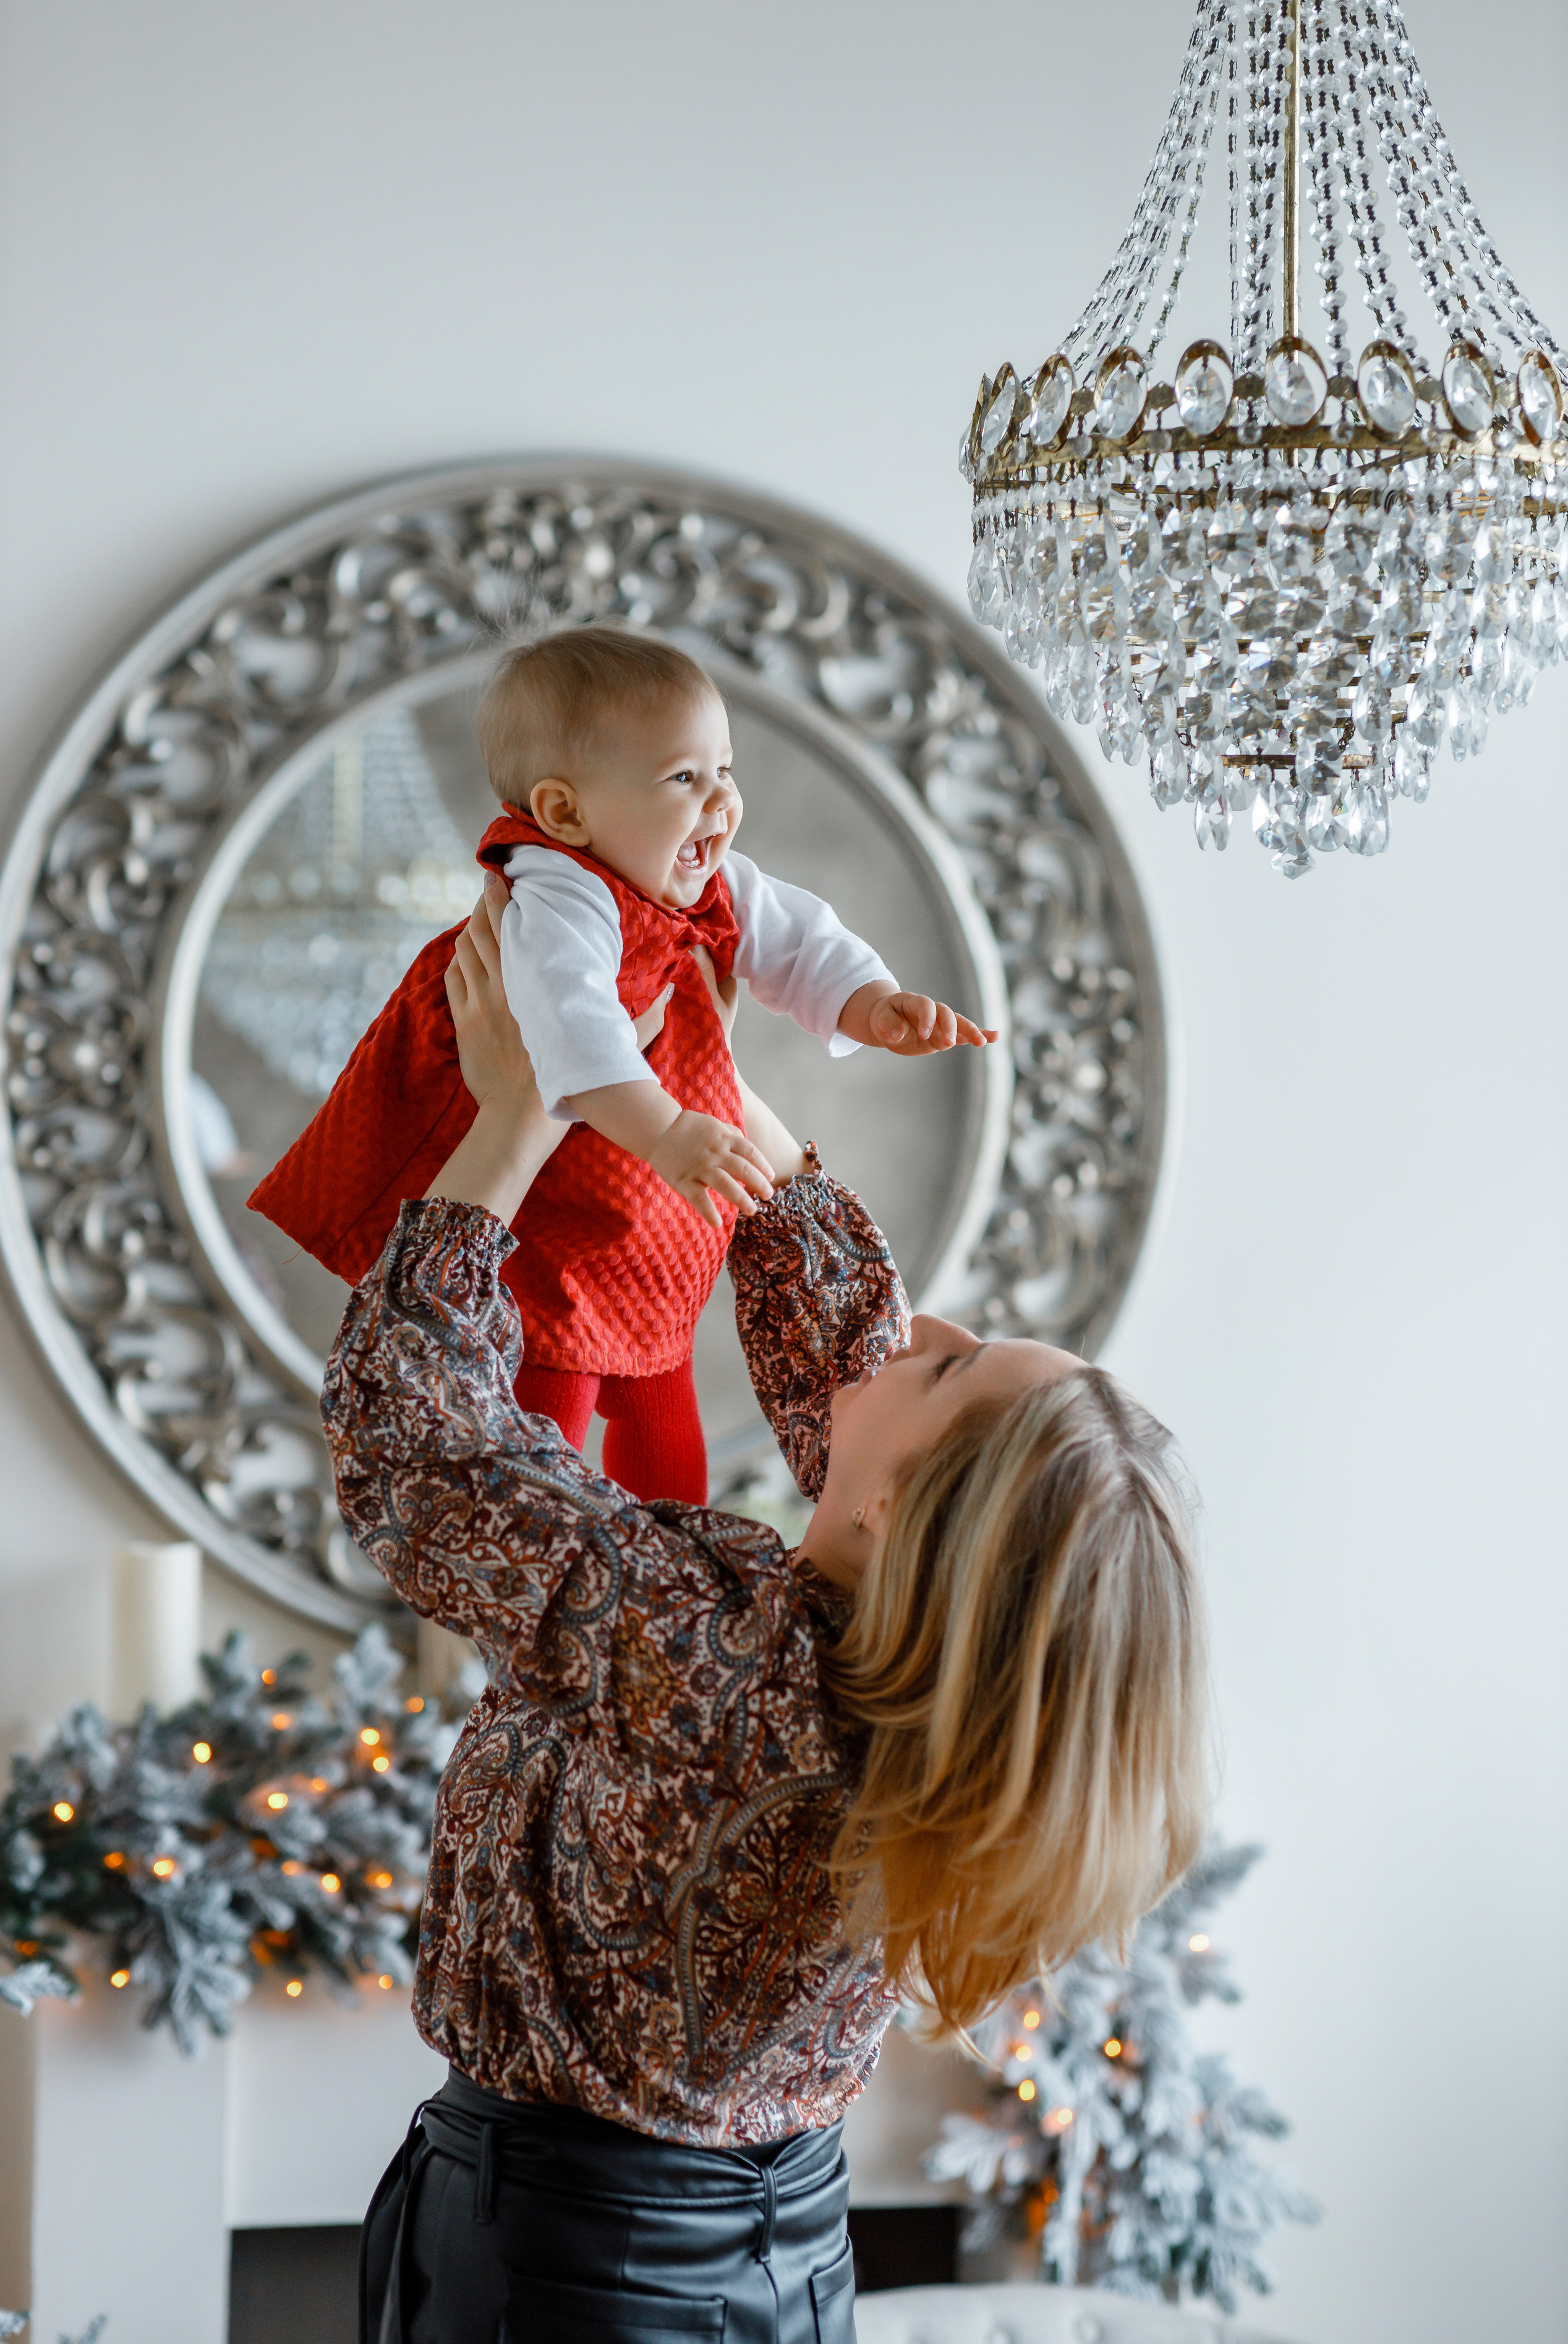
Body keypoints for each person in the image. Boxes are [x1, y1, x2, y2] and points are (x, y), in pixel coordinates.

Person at [322, 881, 1207, 2344]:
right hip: (779, 2248)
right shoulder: (925, 1684)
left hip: (567, 2268)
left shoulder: (715, 1649)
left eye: (951, 1362)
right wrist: (704, 1091)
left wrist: (514, 1118)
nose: (915, 1328)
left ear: (894, 1516)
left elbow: (419, 1455)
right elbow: (854, 1373)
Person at [257, 623, 995, 1505]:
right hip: (571, 1165)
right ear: (566, 812)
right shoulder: (557, 891)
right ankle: (552, 1532)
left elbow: (798, 935)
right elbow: (573, 1024)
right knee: (552, 1377)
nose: (720, 802)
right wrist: (670, 1127)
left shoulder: (696, 875)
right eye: (684, 778)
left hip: (646, 1189)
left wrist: (872, 1006)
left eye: (726, 771)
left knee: (661, 1389)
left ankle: (678, 1539)